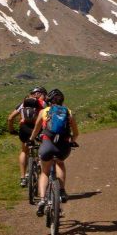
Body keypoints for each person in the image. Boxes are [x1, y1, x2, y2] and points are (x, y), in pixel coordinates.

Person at [29, 88, 79, 216]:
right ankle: (62, 191)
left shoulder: (44, 112)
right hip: (63, 147)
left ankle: (42, 200)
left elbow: (36, 130)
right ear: (62, 100)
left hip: (47, 145)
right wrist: (72, 141)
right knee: (60, 163)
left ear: (49, 101)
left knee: (45, 172)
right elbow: (76, 132)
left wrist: (31, 140)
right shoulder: (68, 112)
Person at [7, 87, 47, 187]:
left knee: (24, 151)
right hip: (37, 128)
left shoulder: (23, 103)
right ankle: (40, 167)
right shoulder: (42, 103)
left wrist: (11, 130)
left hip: (24, 128)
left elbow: (10, 118)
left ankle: (23, 178)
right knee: (42, 147)